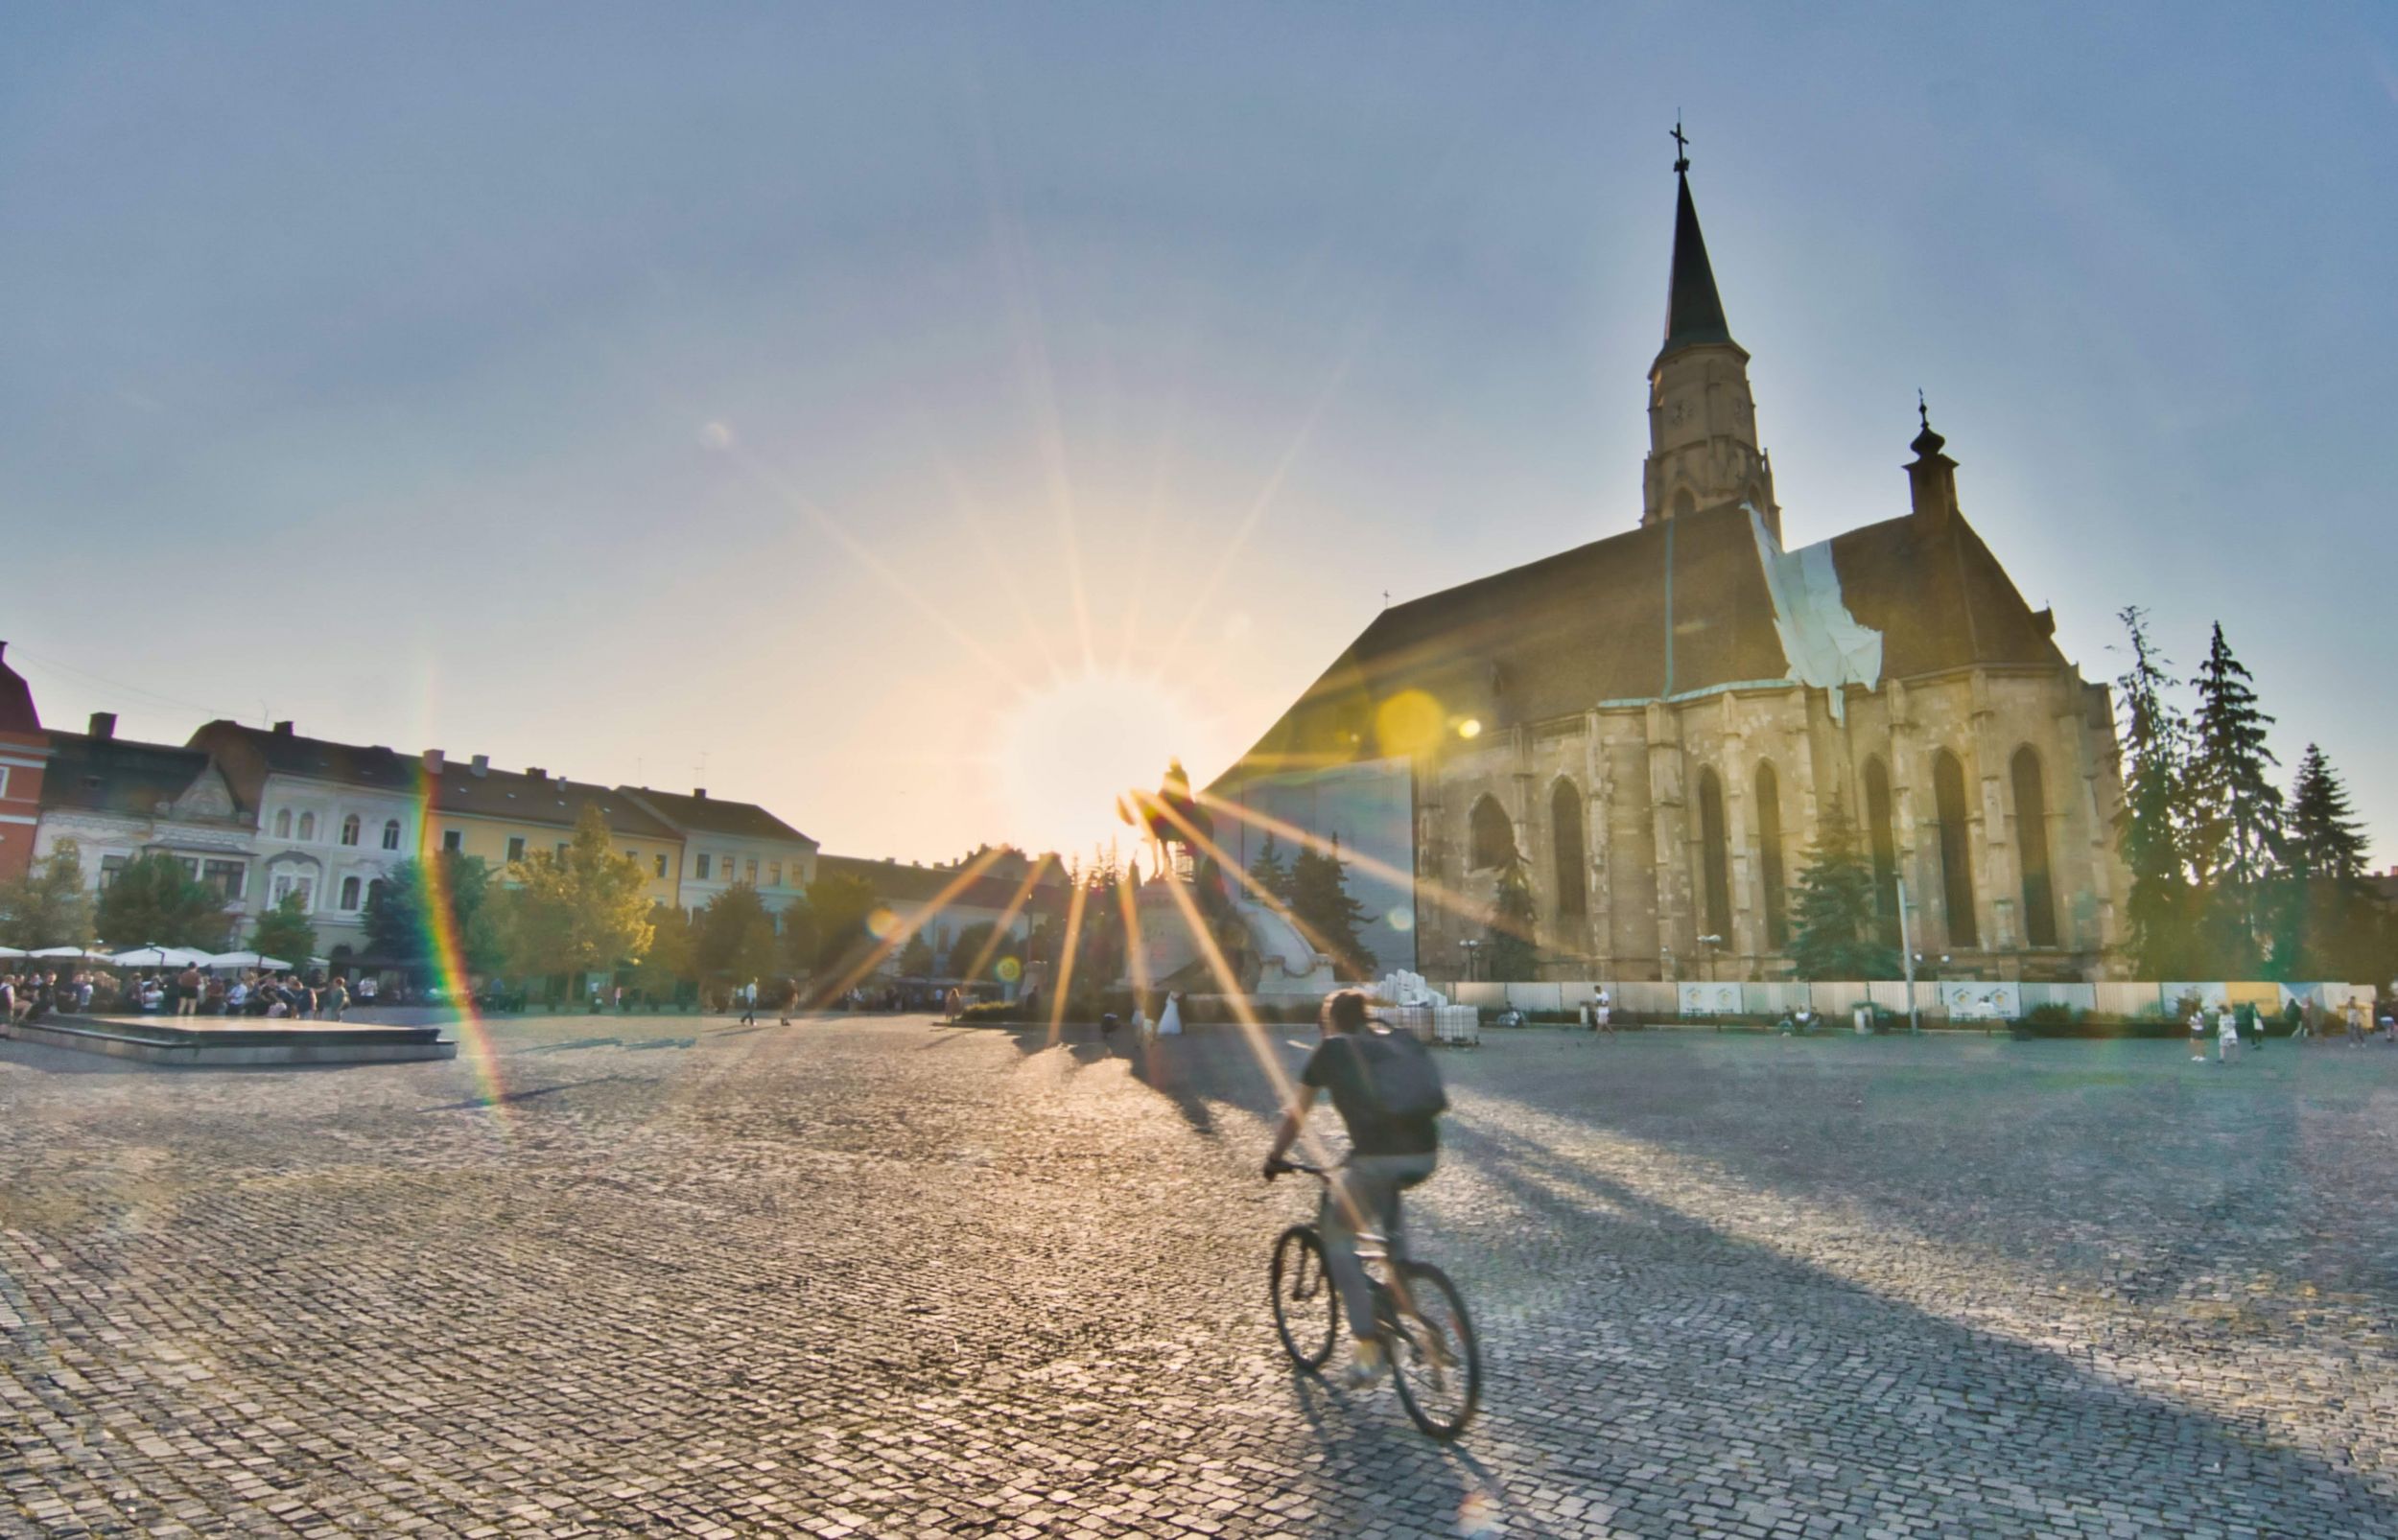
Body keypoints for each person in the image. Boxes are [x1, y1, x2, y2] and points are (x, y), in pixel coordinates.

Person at [1263, 990, 1449, 1389]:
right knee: (1388, 1236)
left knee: (1334, 1235)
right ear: (1364, 1016)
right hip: (1424, 1153)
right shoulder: (1393, 1040)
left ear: (1330, 1021)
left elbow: (1297, 1114)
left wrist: (1275, 1156)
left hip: (1378, 1159)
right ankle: (1407, 1299)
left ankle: (1369, 1350)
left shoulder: (1332, 1050)